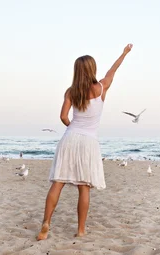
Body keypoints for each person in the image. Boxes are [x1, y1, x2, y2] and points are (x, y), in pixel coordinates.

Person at [37, 44, 133, 241]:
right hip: (89, 142)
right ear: (92, 69)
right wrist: (124, 53)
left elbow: (63, 117)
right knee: (84, 188)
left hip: (70, 138)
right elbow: (112, 71)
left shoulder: (71, 92)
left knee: (58, 183)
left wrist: (73, 127)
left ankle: (46, 222)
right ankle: (81, 230)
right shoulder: (101, 87)